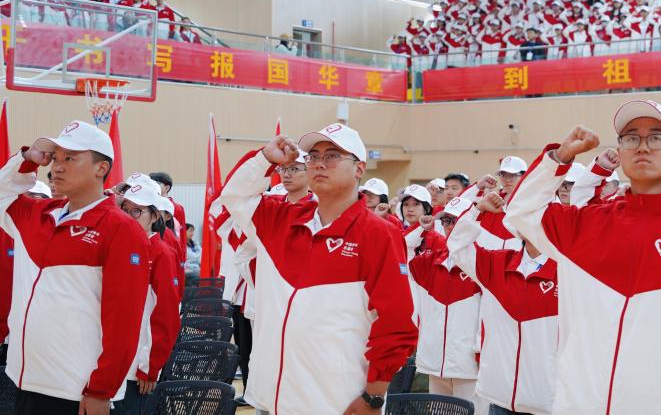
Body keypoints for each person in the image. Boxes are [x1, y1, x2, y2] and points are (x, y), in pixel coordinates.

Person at [503, 100, 661, 414]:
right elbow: (521, 212)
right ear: (620, 151)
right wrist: (560, 158)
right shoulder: (585, 224)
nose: (642, 146)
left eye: (656, 137)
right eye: (631, 138)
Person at [217, 123, 417, 414]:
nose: (320, 163)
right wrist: (265, 159)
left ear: (359, 168)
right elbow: (235, 197)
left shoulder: (379, 234)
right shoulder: (281, 220)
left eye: (332, 155)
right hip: (274, 397)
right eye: (313, 156)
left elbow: (395, 324)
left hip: (338, 401)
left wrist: (373, 396)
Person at [0, 120, 150, 415]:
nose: (57, 167)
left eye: (70, 158)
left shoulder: (121, 229)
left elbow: (124, 318)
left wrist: (102, 389)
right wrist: (27, 159)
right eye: (55, 158)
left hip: (77, 389)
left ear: (101, 168)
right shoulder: (38, 214)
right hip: (26, 379)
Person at [447, 193, 560, 415]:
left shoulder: (569, 271)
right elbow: (458, 246)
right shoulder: (497, 264)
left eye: (537, 215)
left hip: (548, 400)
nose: (530, 222)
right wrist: (477, 210)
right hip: (499, 395)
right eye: (524, 215)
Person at [404, 202, 484, 413]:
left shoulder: (484, 261)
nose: (449, 226)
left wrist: (480, 351)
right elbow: (402, 251)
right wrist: (421, 230)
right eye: (446, 221)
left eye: (454, 220)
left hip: (469, 365)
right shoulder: (430, 262)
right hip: (434, 361)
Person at [112, 185, 181, 415]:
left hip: (137, 368)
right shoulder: (117, 247)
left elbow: (167, 314)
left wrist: (149, 366)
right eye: (125, 209)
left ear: (154, 216)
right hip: (112, 363)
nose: (129, 216)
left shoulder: (161, 252)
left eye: (137, 211)